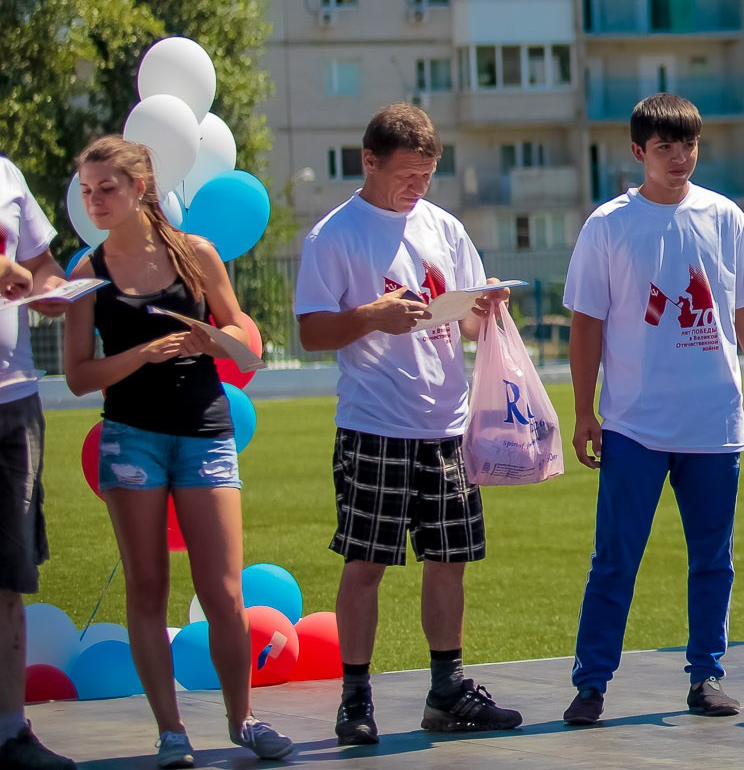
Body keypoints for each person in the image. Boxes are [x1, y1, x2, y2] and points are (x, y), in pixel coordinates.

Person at [61, 138, 293, 766]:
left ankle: (243, 719)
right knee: (147, 586)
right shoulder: (86, 275)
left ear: (140, 188)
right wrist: (144, 353)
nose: (96, 201)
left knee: (222, 590)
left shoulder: (197, 256)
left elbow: (247, 345)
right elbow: (79, 376)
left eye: (106, 188)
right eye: (87, 191)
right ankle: (171, 733)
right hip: (131, 438)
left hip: (205, 434)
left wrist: (212, 338)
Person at [561, 93, 744, 724]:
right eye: (665, 148)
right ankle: (592, 682)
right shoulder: (608, 225)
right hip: (634, 425)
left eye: (688, 146)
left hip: (713, 424)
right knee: (615, 558)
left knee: (713, 558)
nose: (680, 158)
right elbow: (586, 322)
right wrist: (585, 411)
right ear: (639, 152)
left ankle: (707, 674)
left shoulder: (724, 216)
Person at [294, 104, 517, 744]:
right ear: (369, 161)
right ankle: (356, 699)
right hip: (374, 424)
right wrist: (371, 316)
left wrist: (488, 304)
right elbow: (311, 331)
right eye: (406, 176)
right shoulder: (333, 235)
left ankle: (447, 691)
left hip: (446, 426)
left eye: (426, 176)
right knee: (366, 561)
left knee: (449, 559)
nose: (417, 189)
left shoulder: (444, 227)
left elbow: (470, 322)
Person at [0, 155, 76, 770]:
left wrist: (51, 289)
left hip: (13, 400)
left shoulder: (7, 175)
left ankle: (10, 731)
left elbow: (40, 264)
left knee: (9, 574)